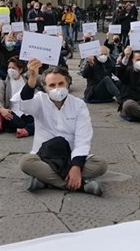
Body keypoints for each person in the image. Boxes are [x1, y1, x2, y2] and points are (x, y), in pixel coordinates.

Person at [18, 59, 108, 196]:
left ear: (68, 84)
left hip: (70, 156)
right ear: (45, 87)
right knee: (26, 162)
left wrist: (76, 166)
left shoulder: (78, 105)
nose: (57, 88)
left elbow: (83, 138)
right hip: (45, 157)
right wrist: (32, 77)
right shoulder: (40, 100)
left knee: (100, 164)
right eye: (52, 85)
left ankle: (45, 180)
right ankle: (82, 186)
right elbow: (25, 105)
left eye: (60, 84)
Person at [0, 57, 35, 138]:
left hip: (26, 111)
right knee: (12, 119)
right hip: (11, 113)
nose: (11, 70)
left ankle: (25, 129)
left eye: (13, 68)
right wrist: (2, 110)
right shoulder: (4, 83)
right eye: (9, 68)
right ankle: (28, 128)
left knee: (39, 120)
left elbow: (40, 79)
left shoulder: (27, 79)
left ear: (20, 70)